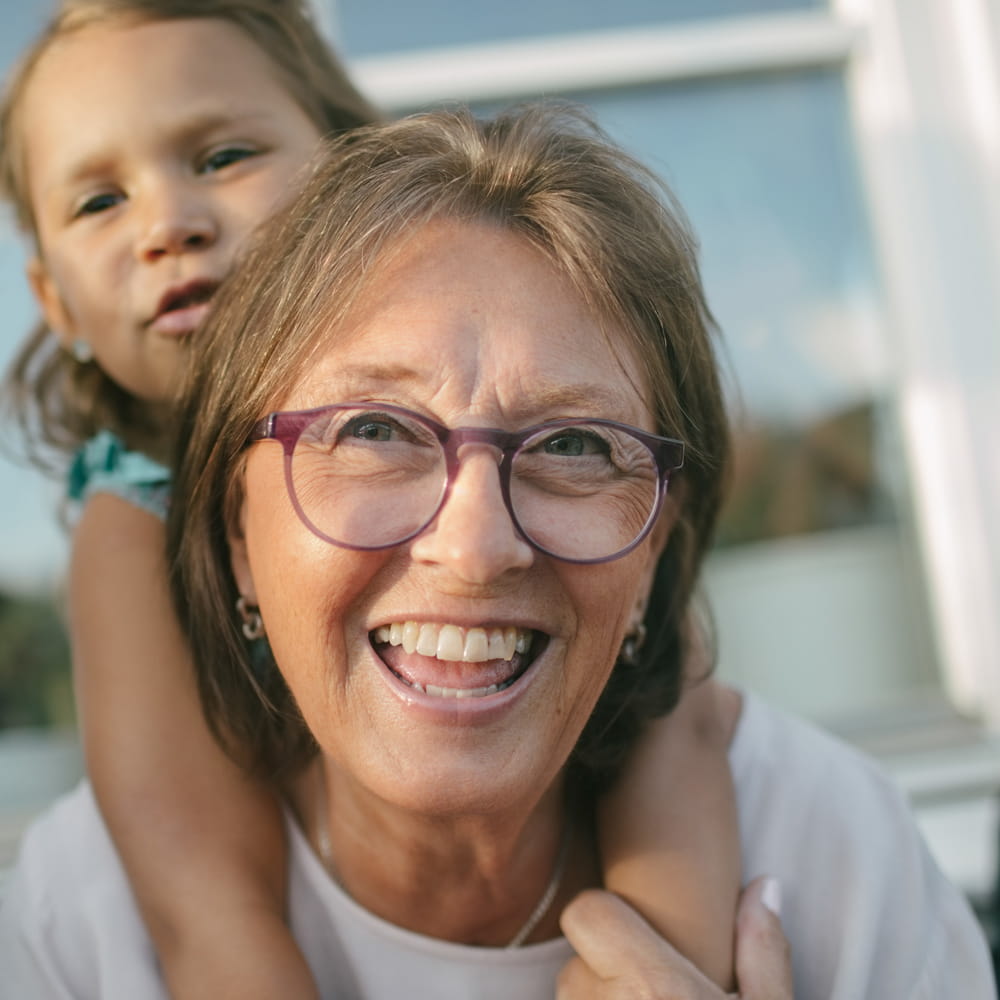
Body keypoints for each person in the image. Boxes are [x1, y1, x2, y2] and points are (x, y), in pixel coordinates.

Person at [3, 103, 992, 998]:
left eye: (572, 446)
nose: (475, 547)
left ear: (654, 552)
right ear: (238, 541)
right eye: (373, 431)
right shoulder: (76, 931)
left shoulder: (830, 854)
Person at [0, 2, 746, 994]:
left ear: (347, 168)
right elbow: (198, 884)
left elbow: (677, 705)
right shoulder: (129, 514)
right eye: (98, 203)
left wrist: (673, 959)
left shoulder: (819, 826)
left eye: (221, 156)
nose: (167, 225)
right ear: (53, 299)